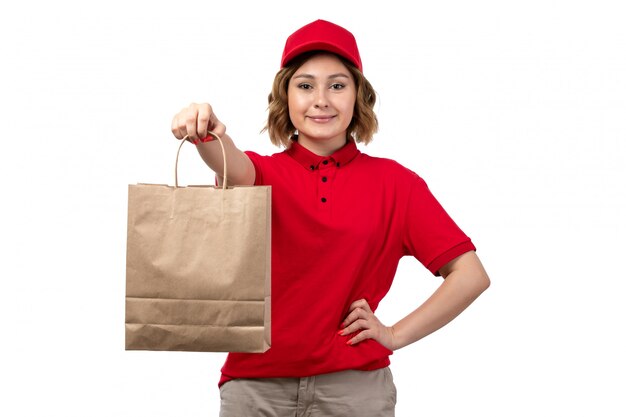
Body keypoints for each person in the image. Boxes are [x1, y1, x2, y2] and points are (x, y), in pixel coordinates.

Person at [171, 19, 490, 417]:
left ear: (358, 96)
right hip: (255, 389)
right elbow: (232, 167)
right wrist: (206, 133)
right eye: (305, 85)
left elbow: (471, 274)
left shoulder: (396, 184)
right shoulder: (261, 173)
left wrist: (392, 335)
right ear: (284, 96)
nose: (321, 99)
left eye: (337, 85)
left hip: (355, 390)